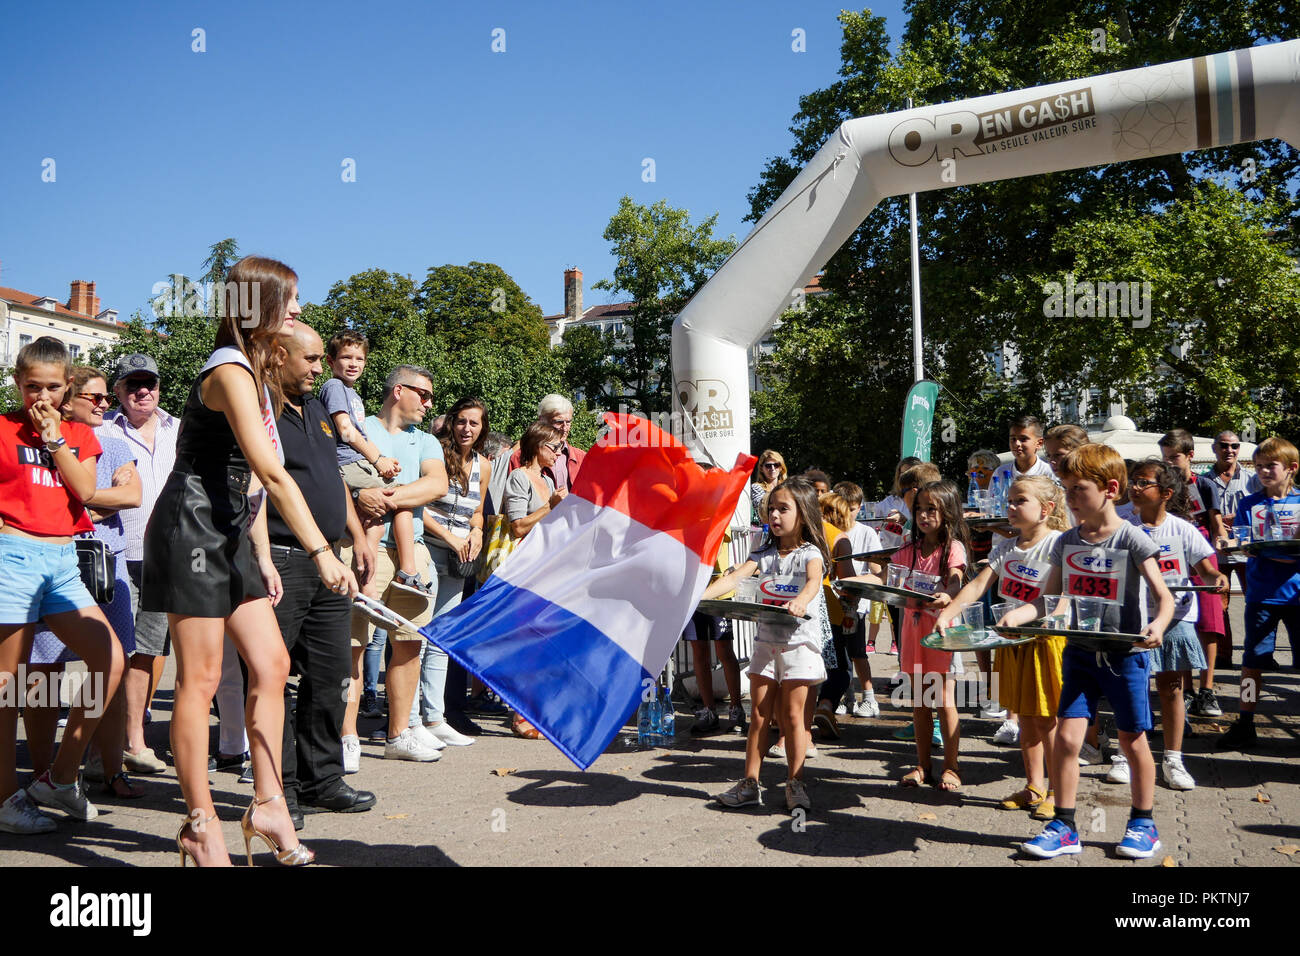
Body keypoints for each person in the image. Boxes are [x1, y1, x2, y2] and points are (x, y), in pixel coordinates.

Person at [142, 256, 357, 866]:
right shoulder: (229, 369)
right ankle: (200, 824)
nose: (297, 311)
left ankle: (267, 805)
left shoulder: (258, 375)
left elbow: (250, 483)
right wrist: (320, 551)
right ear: (258, 307)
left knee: (272, 662)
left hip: (231, 526)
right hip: (191, 529)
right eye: (289, 301)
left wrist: (259, 551)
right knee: (202, 679)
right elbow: (269, 469)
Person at [1003, 444, 1174, 860]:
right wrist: (1015, 618)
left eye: (1077, 489)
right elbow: (1048, 599)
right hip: (1078, 652)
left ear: (1110, 488)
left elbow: (1163, 597)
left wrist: (1158, 625)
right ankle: (1064, 825)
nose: (1069, 498)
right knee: (1066, 737)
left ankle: (1143, 822)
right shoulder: (1066, 541)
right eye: (1064, 489)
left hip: (1124, 656)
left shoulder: (1131, 537)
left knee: (1133, 742)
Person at [0, 340, 127, 835]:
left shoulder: (78, 433)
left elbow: (86, 492)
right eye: (33, 387)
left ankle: (62, 774)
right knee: (8, 686)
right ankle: (7, 796)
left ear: (68, 385)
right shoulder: (5, 427)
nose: (43, 396)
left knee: (109, 660)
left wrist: (54, 439)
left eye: (53, 387)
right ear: (18, 384)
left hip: (63, 558)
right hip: (13, 553)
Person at [258, 323, 376, 816]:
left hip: (331, 558)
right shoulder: (260, 410)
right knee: (274, 677)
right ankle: (279, 791)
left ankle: (322, 779)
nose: (316, 369)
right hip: (285, 559)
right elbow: (264, 483)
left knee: (331, 675)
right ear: (278, 357)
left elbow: (333, 478)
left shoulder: (321, 410)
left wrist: (359, 535)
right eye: (308, 360)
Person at [25, 366, 142, 800]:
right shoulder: (35, 440)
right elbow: (38, 502)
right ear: (68, 401)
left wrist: (81, 501)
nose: (104, 405)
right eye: (94, 398)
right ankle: (43, 774)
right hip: (48, 566)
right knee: (41, 674)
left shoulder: (111, 442)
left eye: (106, 398)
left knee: (108, 672)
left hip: (103, 571)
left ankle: (108, 768)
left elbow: (131, 496)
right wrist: (92, 499)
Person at [936, 475, 1067, 820]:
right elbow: (978, 585)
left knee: (1046, 719)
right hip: (1010, 641)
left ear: (1046, 509)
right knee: (1025, 717)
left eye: (1019, 501)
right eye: (1009, 501)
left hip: (1043, 641)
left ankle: (1057, 792)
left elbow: (1055, 601)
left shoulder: (1058, 544)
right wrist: (948, 613)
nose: (1010, 507)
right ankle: (1034, 786)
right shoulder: (1006, 548)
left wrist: (1025, 618)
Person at [347, 366, 450, 762]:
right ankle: (347, 738)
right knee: (351, 647)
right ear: (398, 391)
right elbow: (338, 473)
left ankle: (398, 736)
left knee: (408, 645)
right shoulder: (360, 427)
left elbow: (436, 485)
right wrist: (360, 498)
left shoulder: (425, 441)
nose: (429, 404)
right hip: (359, 549)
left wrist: (383, 497)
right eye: (423, 395)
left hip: (414, 553)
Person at [707, 477, 829, 812]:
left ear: (802, 514)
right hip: (766, 643)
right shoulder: (762, 552)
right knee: (759, 715)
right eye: (771, 509)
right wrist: (699, 597)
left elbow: (814, 581)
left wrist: (802, 601)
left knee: (792, 718)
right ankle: (750, 783)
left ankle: (795, 783)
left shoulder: (810, 553)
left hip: (798, 645)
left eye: (783, 509)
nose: (774, 515)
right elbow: (734, 578)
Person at [1124, 459, 1227, 790]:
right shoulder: (1125, 527)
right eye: (1133, 482)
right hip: (1135, 620)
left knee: (1171, 689)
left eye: (1143, 483)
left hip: (1177, 618)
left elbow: (1205, 569)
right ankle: (1128, 756)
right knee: (1132, 687)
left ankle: (1172, 758)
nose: (1134, 488)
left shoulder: (1182, 529)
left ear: (1166, 493)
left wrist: (1217, 578)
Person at [100, 353, 179, 775]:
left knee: (147, 653)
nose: (142, 391)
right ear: (118, 391)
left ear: (159, 387)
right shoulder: (102, 431)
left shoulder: (178, 430)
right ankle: (99, 747)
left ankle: (133, 740)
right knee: (111, 653)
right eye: (132, 385)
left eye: (148, 383)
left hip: (163, 556)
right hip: (115, 552)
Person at [875, 480, 969, 791]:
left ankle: (952, 767)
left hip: (942, 634)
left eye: (932, 509)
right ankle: (922, 765)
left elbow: (956, 580)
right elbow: (885, 578)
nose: (924, 515)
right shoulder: (907, 549)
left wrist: (948, 595)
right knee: (919, 701)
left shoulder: (952, 548)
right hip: (912, 634)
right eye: (919, 509)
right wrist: (852, 579)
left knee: (943, 700)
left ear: (948, 513)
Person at [320, 330, 429, 596]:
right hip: (349, 462)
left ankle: (367, 590)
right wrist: (377, 459)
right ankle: (400, 576)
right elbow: (346, 431)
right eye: (346, 357)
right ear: (330, 361)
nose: (354, 363)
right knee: (400, 498)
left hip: (357, 463)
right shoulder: (334, 387)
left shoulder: (352, 394)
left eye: (359, 358)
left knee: (375, 525)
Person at [414, 397, 494, 749]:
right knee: (416, 634)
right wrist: (448, 536)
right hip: (430, 548)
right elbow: (420, 505)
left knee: (441, 638)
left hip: (461, 556)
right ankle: (411, 718)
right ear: (452, 423)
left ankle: (435, 717)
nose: (466, 429)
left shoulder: (484, 464)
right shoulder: (434, 452)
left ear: (482, 428)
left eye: (474, 423)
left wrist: (476, 531)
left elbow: (477, 510)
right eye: (461, 421)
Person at [1215, 437, 1300, 752]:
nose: (1263, 471)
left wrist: (1275, 553)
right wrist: (1235, 546)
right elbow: (1247, 546)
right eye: (1259, 466)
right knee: (1252, 662)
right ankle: (1245, 721)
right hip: (1262, 596)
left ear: (1291, 468)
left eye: (1270, 466)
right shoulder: (1250, 504)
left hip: (1297, 595)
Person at [502, 421, 569, 738]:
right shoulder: (520, 477)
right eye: (553, 447)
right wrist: (550, 507)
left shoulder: (547, 479)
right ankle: (520, 714)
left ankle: (539, 711)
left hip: (551, 569)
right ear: (537, 446)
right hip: (527, 571)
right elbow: (517, 527)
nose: (558, 453)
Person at [1158, 429, 1228, 717]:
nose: (1170, 463)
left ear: (1189, 455)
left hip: (1201, 553)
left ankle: (1207, 689)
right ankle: (1185, 690)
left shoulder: (1206, 484)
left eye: (1174, 457)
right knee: (1181, 622)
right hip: (1172, 552)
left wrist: (1221, 544)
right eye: (1165, 458)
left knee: (1209, 623)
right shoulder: (1162, 485)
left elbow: (1216, 523)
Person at [829, 481, 883, 717]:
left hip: (855, 603)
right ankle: (843, 695)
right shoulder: (829, 531)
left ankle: (869, 698)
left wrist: (859, 581)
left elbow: (877, 567)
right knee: (836, 651)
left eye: (852, 508)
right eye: (843, 508)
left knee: (857, 651)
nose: (847, 514)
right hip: (832, 602)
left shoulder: (866, 532)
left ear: (859, 507)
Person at [507, 394, 585, 491]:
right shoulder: (519, 457)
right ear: (542, 420)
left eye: (568, 422)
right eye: (559, 422)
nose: (565, 428)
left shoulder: (581, 457)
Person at [990, 415, 1055, 488]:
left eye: (1023, 439)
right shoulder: (1000, 473)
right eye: (1013, 439)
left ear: (1039, 443)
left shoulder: (1049, 473)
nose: (1017, 444)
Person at [750, 449, 787, 516]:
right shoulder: (756, 488)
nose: (772, 468)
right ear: (761, 468)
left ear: (781, 468)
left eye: (776, 465)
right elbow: (763, 510)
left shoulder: (787, 487)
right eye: (768, 465)